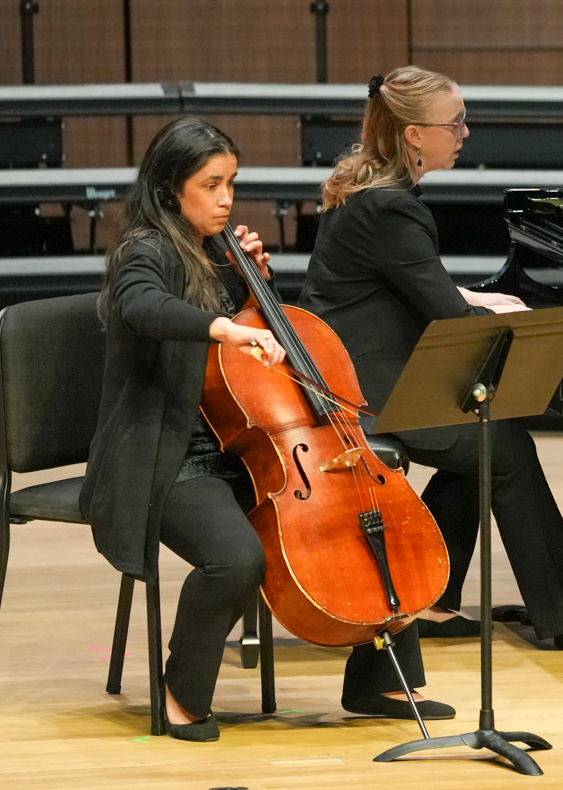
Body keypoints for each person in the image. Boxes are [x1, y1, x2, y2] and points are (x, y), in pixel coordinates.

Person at [81, 115, 450, 742]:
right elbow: (142, 305)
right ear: (173, 189)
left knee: (375, 523)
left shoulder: (216, 251)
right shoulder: (144, 252)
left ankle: (377, 681)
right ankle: (181, 692)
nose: (226, 198)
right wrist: (226, 326)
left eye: (231, 183)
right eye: (211, 185)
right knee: (235, 559)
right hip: (167, 454)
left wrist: (254, 286)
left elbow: (257, 365)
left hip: (247, 451)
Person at [299, 65, 563, 651]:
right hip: (365, 389)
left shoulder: (373, 192)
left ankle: (429, 601)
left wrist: (478, 297)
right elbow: (447, 316)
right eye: (455, 122)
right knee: (503, 443)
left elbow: (401, 285)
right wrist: (533, 322)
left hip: (356, 369)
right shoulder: (392, 208)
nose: (465, 132)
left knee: (481, 436)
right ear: (415, 134)